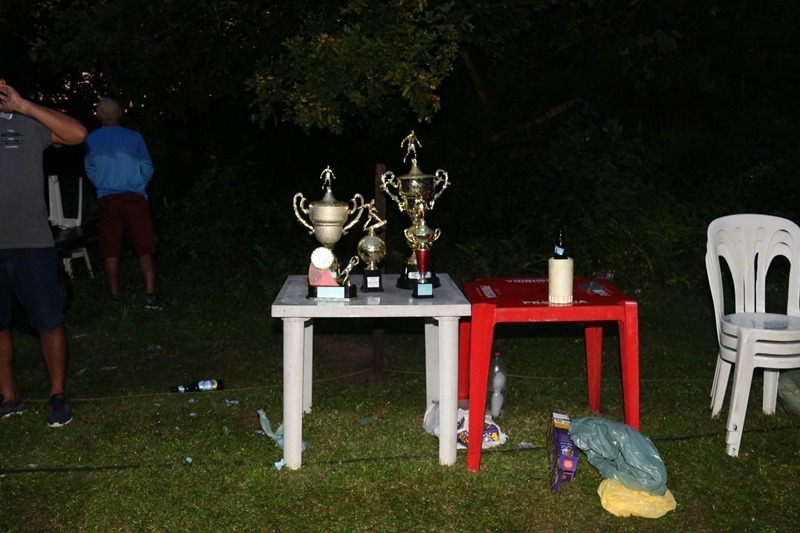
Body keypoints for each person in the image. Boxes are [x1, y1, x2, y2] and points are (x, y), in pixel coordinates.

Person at [0, 70, 87, 427]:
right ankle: (8, 397)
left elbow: (78, 134)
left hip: (31, 242)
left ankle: (57, 395)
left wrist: (23, 104)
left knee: (49, 321)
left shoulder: (26, 122)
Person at [84, 97, 161, 309]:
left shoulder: (90, 139)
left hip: (108, 200)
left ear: (98, 115)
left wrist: (102, 185)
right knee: (144, 247)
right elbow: (148, 165)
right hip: (134, 199)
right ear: (120, 114)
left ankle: (115, 297)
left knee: (110, 249)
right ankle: (150, 295)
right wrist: (138, 184)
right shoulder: (134, 137)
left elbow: (89, 168)